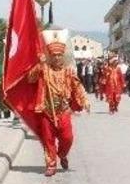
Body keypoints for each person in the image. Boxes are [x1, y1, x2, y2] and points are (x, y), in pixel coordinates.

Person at [26, 29, 90, 176]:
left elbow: (78, 86)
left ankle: (62, 154)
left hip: (63, 110)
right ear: (50, 56)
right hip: (46, 110)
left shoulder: (68, 71)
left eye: (59, 55)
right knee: (48, 140)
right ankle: (51, 164)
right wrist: (38, 65)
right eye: (54, 55)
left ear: (63, 56)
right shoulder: (44, 69)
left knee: (68, 138)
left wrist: (85, 100)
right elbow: (30, 78)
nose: (56, 58)